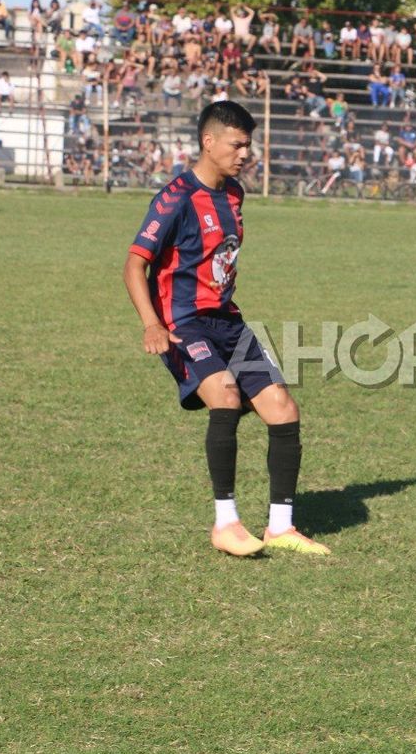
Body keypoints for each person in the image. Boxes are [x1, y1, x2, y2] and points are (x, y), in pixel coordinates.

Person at [122, 102, 327, 557]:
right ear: (208, 142)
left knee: (283, 408)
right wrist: (151, 323)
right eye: (237, 144)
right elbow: (135, 265)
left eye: (248, 144)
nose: (245, 153)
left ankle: (280, 527)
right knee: (226, 396)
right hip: (183, 324)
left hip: (227, 322)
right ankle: (225, 523)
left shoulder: (234, 193)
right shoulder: (174, 198)